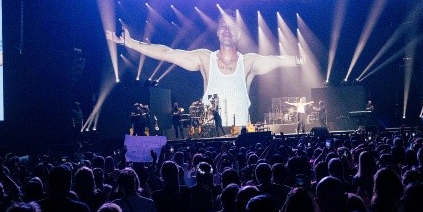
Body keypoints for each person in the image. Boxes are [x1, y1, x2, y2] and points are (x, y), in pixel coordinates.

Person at [107, 10, 304, 127]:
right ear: (218, 32)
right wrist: (131, 43)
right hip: (212, 135)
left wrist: (297, 59)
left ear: (238, 34)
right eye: (223, 27)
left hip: (241, 133)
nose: (227, 31)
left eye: (232, 27)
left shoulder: (249, 62)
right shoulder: (204, 58)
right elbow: (167, 53)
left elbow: (277, 60)